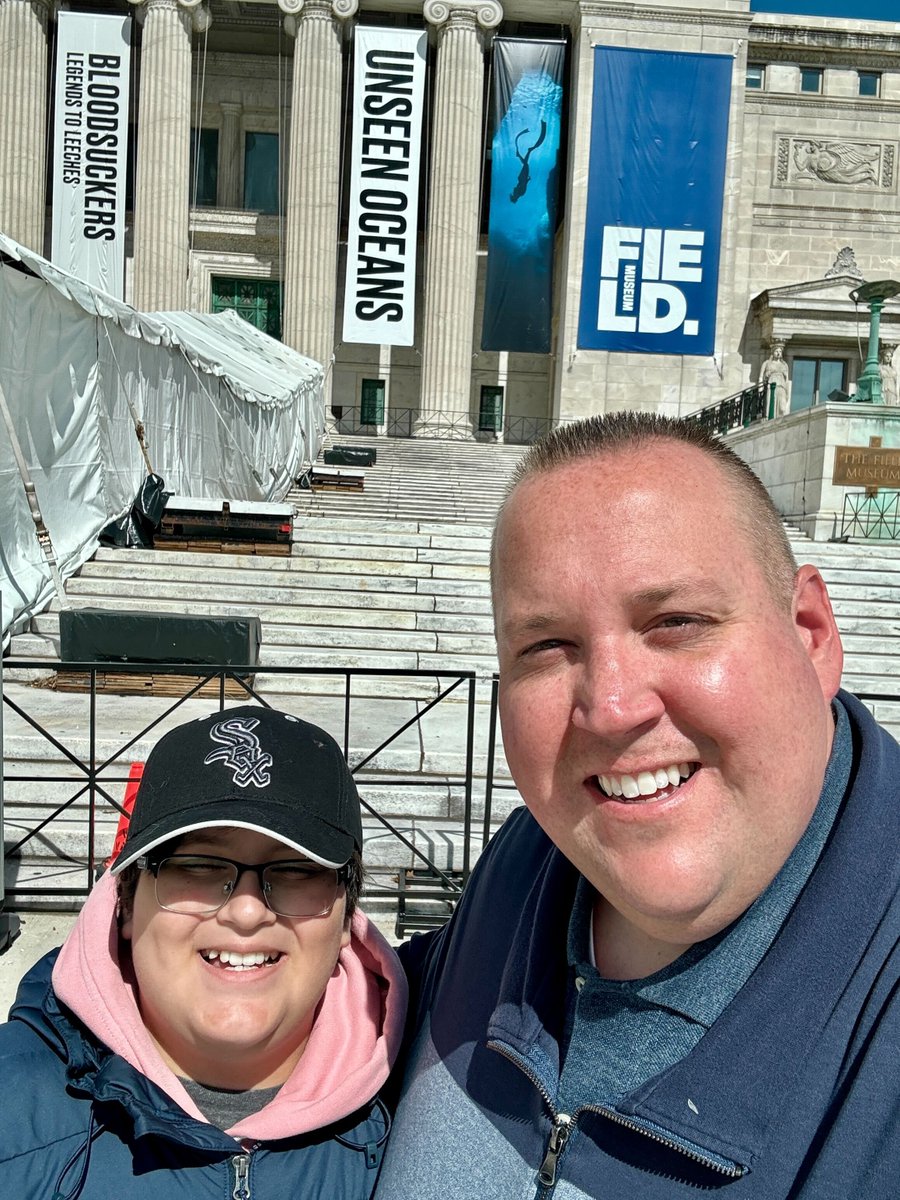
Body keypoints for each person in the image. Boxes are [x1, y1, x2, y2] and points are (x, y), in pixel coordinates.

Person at [375, 411, 900, 1198]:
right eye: (547, 647)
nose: (612, 707)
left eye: (676, 623)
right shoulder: (525, 866)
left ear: (812, 633)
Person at [0, 705, 406, 1198]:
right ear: (125, 902)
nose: (247, 912)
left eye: (299, 871)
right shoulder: (12, 1111)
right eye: (197, 866)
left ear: (348, 920)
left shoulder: (435, 1115)